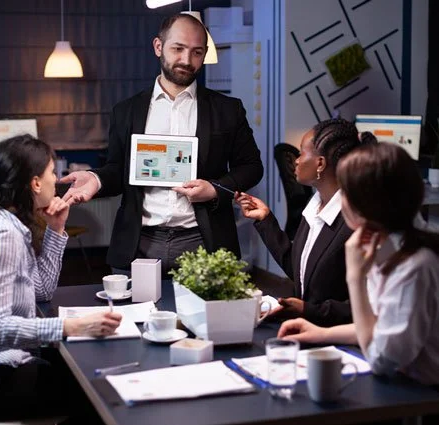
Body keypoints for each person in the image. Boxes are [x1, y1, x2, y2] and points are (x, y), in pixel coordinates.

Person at [60, 13, 263, 276]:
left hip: (204, 242)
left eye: (197, 52)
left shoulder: (228, 109)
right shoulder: (126, 111)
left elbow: (252, 167)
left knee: (204, 318)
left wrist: (214, 189)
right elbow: (117, 170)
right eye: (178, 48)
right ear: (158, 47)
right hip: (139, 242)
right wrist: (96, 180)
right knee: (134, 317)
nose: (186, 60)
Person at [277, 142, 439, 386]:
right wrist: (321, 333)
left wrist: (355, 278)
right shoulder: (389, 246)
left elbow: (381, 359)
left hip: (420, 399)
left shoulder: (414, 265)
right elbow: (378, 328)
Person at [0, 135, 122, 421]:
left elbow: (42, 290)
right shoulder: (5, 235)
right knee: (98, 395)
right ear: (36, 183)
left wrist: (56, 230)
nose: (56, 180)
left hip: (13, 363)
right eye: (52, 173)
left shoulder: (12, 225)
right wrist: (70, 326)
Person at [236, 118, 376, 326]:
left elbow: (367, 305)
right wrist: (265, 219)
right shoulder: (315, 207)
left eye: (302, 153)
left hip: (339, 339)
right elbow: (300, 271)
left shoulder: (355, 223)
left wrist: (309, 311)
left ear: (320, 163)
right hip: (308, 329)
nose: (297, 160)